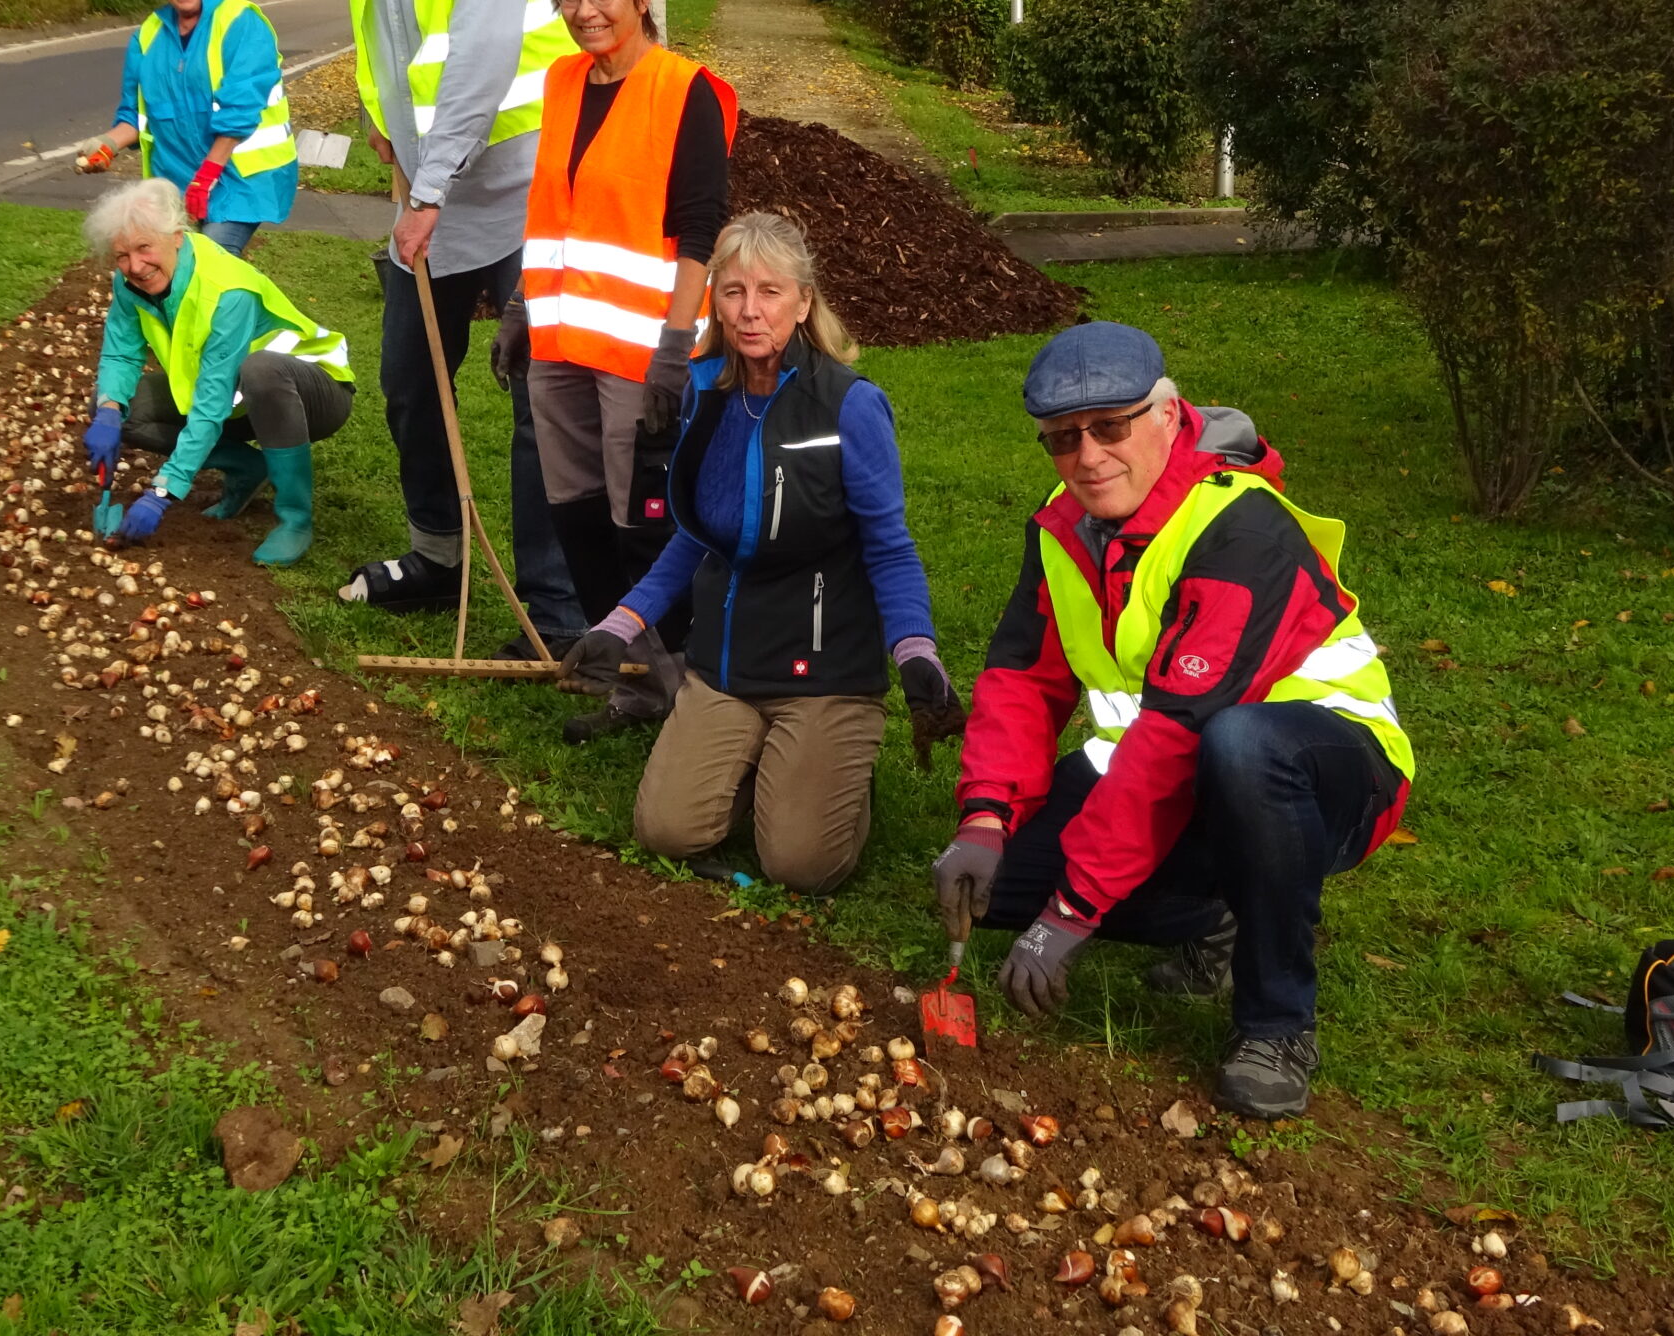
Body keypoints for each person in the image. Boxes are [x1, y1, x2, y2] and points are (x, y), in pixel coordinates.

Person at [928, 322, 1414, 1119]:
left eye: (1110, 427)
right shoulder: (1062, 524)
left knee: (1242, 747)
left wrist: (1074, 913)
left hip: (1323, 769)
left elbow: (1177, 733)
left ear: (1167, 413)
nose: (1088, 457)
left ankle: (1277, 1025)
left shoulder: (1239, 526)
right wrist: (985, 816)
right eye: (1063, 438)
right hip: (1179, 765)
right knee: (1001, 888)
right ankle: (1220, 912)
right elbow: (1022, 679)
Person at [563, 212, 961, 892]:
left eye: (770, 292)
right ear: (715, 303)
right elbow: (695, 535)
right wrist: (618, 627)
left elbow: (890, 548)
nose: (751, 311)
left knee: (801, 866)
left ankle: (833, 765)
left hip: (825, 668)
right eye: (734, 291)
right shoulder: (705, 393)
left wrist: (915, 652)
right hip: (727, 663)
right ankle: (762, 762)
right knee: (666, 832)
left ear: (804, 302)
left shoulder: (849, 406)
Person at [313, 0, 582, 649]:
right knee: (409, 376)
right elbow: (384, 35)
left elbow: (482, 55)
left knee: (538, 389)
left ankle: (554, 603)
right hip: (431, 188)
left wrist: (427, 189)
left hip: (523, 179)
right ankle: (439, 556)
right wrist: (381, 119)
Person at [491, 0, 734, 725]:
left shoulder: (683, 91)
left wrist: (675, 346)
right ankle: (627, 669)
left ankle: (675, 683)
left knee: (642, 525)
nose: (584, 10)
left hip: (640, 355)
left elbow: (699, 229)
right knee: (576, 512)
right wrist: (521, 308)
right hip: (561, 348)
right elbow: (551, 212)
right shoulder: (563, 83)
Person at [81, 176, 353, 567]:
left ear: (177, 236)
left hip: (314, 396)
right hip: (241, 399)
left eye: (144, 248)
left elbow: (211, 403)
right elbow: (121, 355)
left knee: (262, 369)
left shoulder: (226, 291)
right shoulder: (130, 283)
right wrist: (109, 410)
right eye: (122, 255)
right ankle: (247, 467)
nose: (135, 266)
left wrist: (162, 492)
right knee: (118, 405)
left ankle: (295, 517)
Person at [79, 0, 297, 255]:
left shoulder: (241, 22)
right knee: (158, 266)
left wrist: (206, 177)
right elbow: (135, 115)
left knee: (208, 260)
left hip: (238, 181)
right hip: (175, 182)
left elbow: (239, 111)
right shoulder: (147, 35)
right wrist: (107, 145)